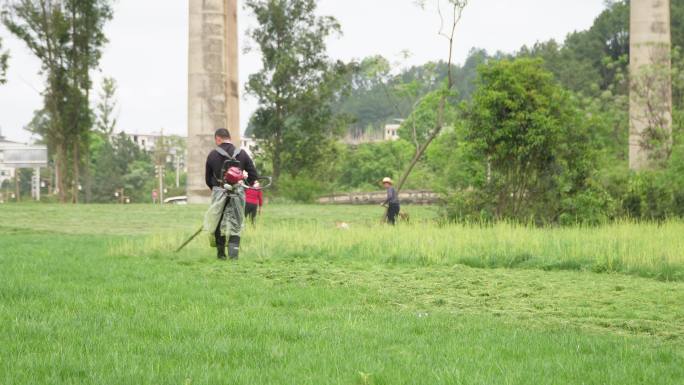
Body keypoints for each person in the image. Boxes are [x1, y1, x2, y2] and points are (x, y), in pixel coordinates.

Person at [204, 128, 258, 260]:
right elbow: (253, 175)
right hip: (237, 194)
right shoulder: (242, 154)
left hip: (219, 193)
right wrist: (243, 188)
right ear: (230, 138)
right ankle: (234, 256)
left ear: (218, 138)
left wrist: (216, 190)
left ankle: (221, 254)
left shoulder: (212, 155)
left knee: (218, 221)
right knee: (237, 222)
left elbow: (207, 179)